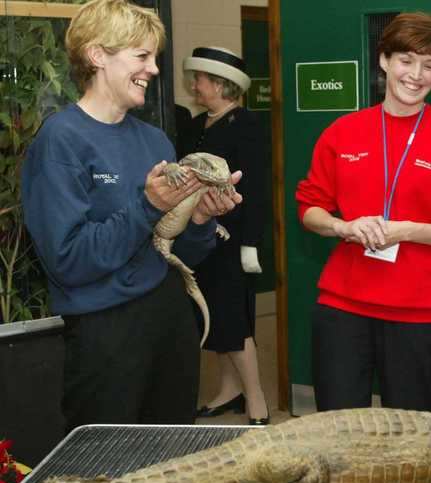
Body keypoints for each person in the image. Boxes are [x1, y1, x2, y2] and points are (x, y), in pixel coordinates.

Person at [21, 0, 241, 432]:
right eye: (141, 56)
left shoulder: (155, 140)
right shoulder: (61, 141)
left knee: (168, 459)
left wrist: (199, 221)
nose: (154, 69)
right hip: (104, 330)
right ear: (97, 55)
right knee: (105, 472)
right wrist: (147, 206)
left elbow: (176, 250)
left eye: (153, 57)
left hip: (168, 318)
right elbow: (69, 261)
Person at [296, 12, 431, 413]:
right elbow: (309, 208)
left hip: (418, 312)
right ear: (385, 60)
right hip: (343, 308)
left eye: (430, 66)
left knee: (410, 435)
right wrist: (343, 226)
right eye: (406, 61)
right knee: (336, 428)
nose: (417, 75)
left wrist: (407, 230)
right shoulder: (343, 132)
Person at [180, 46, 269, 425]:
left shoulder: (247, 125)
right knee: (214, 317)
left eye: (200, 79)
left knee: (232, 319)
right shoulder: (197, 125)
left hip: (231, 241)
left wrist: (251, 242)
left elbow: (259, 188)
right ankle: (229, 390)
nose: (194, 85)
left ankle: (257, 399)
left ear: (220, 84)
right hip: (199, 236)